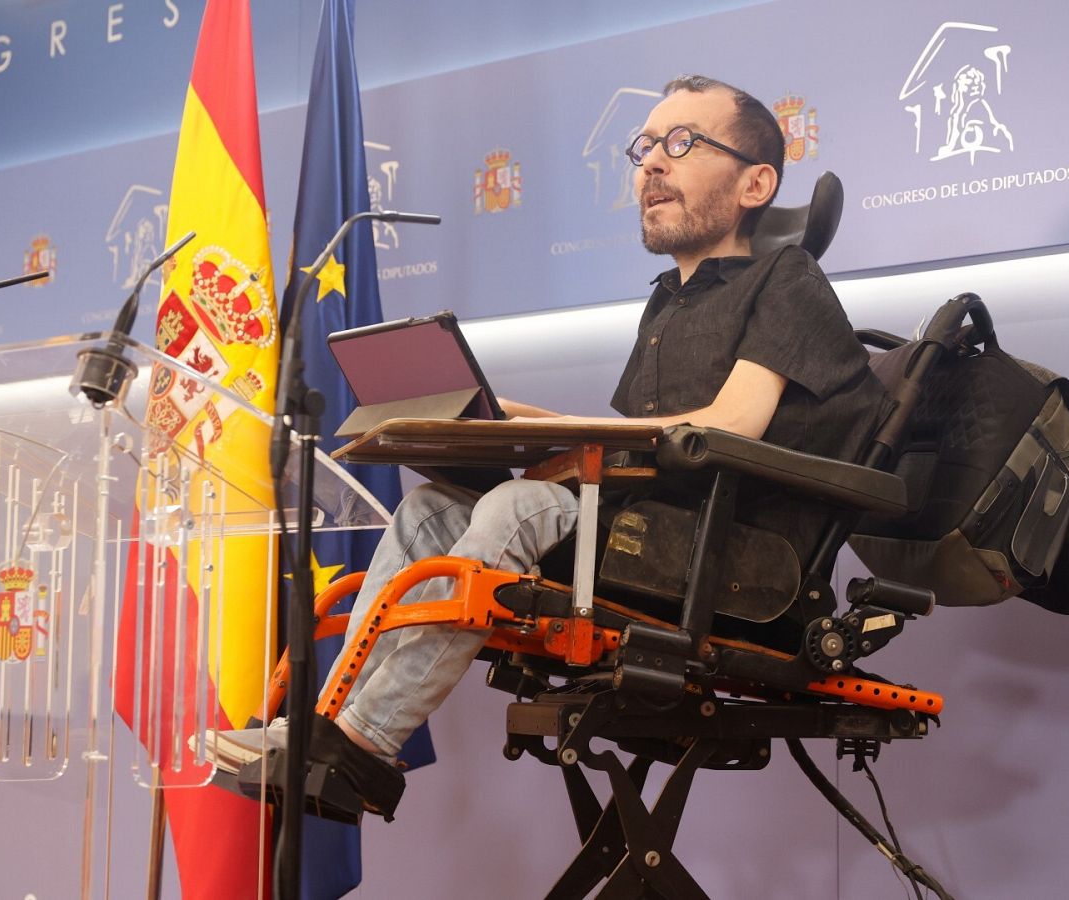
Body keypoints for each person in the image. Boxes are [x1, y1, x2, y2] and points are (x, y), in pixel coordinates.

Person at [211, 75, 888, 813]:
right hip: (653, 536)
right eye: (645, 147)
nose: (652, 164)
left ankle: (365, 745)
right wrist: (493, 415)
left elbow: (727, 426)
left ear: (757, 182)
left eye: (683, 143)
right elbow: (634, 446)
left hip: (737, 565)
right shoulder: (667, 304)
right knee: (429, 511)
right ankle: (322, 727)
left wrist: (560, 435)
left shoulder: (788, 278)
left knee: (515, 507)